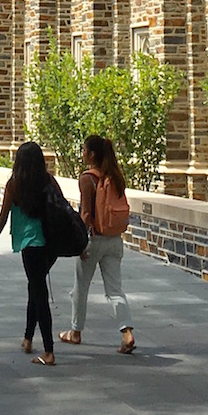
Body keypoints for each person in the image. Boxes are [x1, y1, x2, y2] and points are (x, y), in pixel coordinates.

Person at [0, 141, 63, 365]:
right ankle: (28, 338)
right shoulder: (49, 181)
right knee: (35, 288)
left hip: (30, 243)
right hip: (50, 245)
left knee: (39, 293)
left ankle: (48, 351)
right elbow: (62, 207)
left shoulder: (15, 185)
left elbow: (3, 216)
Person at [58, 134, 136, 354]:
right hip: (114, 239)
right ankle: (126, 332)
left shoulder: (87, 179)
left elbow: (85, 214)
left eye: (84, 150)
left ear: (92, 154)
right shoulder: (115, 175)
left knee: (80, 288)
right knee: (115, 290)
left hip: (94, 240)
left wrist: (79, 243)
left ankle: (75, 332)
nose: (82, 154)